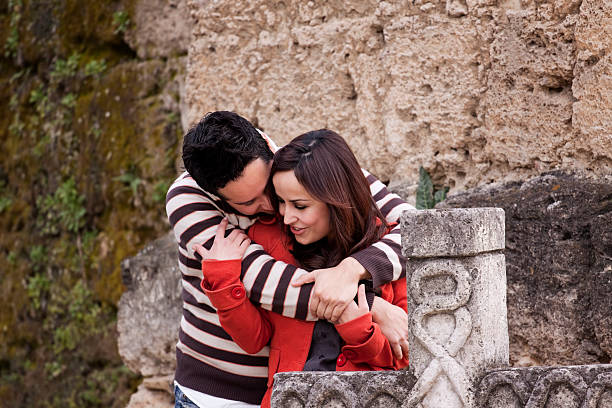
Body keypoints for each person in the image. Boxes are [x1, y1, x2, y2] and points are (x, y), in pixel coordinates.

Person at [166, 112, 413, 407]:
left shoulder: (301, 164)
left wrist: (351, 269)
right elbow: (271, 285)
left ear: (270, 153)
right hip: (215, 391)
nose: (273, 208)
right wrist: (372, 306)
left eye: (270, 189)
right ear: (216, 195)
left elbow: (417, 230)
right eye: (248, 203)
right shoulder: (187, 200)